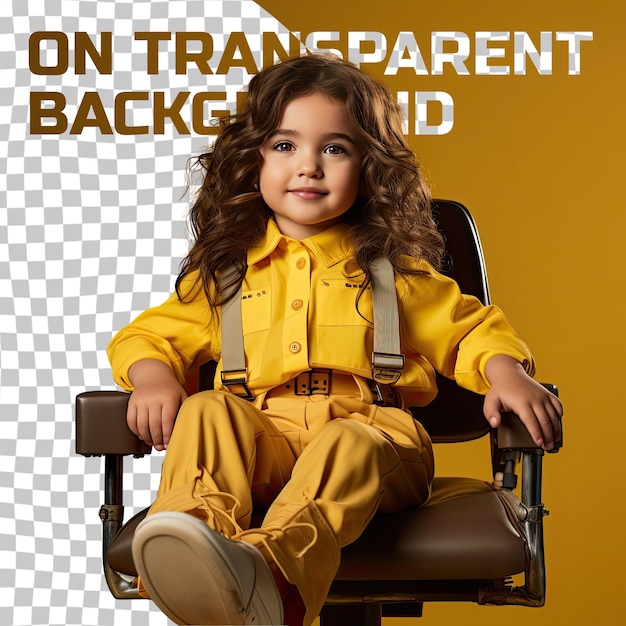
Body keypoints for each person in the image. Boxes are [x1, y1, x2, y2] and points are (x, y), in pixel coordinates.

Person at [107, 53, 562, 626]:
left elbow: (470, 330)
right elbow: (148, 337)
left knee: (351, 440)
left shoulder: (394, 273)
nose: (309, 167)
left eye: (335, 148)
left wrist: (506, 372)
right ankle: (195, 550)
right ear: (252, 161)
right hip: (265, 440)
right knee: (206, 410)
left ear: (369, 167)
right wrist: (152, 375)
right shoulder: (226, 278)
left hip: (377, 438)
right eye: (284, 146)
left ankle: (270, 576)